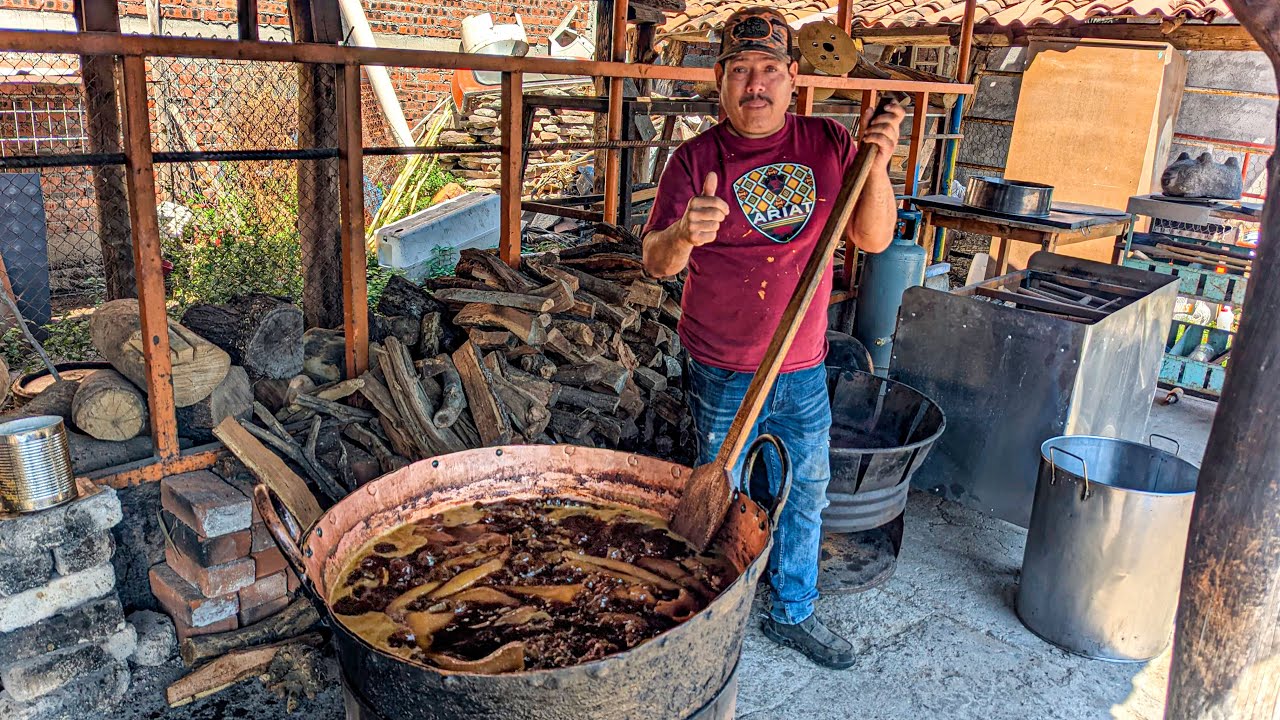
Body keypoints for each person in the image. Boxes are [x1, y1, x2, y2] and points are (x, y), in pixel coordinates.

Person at [641, 6, 905, 669]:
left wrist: (876, 164)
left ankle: (792, 611)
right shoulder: (695, 158)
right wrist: (684, 235)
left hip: (802, 369)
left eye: (767, 70)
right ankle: (705, 614)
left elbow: (873, 239)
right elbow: (655, 261)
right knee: (720, 496)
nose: (753, 84)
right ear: (720, 80)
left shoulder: (828, 144)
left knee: (805, 494)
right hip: (720, 367)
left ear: (793, 77)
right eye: (738, 71)